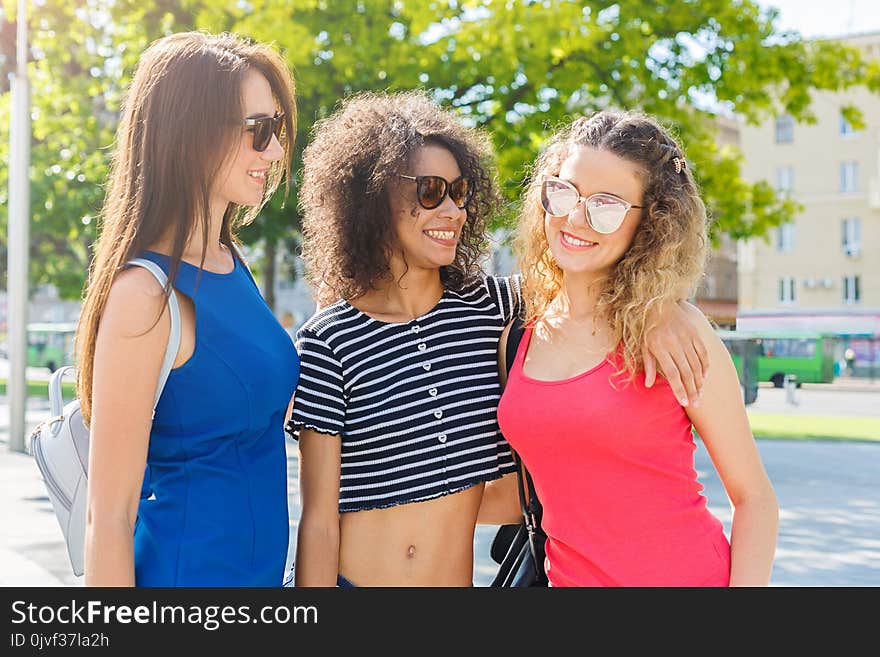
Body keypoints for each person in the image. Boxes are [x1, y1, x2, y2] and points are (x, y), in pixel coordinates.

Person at [287, 91, 711, 587]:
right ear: (373, 198)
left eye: (460, 191)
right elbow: (317, 521)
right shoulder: (328, 339)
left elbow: (597, 281)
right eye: (429, 192)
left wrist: (666, 305)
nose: (452, 210)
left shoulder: (496, 310)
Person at [495, 110, 779, 586]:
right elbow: (535, 487)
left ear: (651, 224)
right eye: (565, 191)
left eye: (606, 205)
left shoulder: (678, 333)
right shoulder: (517, 338)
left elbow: (755, 499)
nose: (576, 218)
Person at [76, 31, 299, 586]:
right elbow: (109, 515)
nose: (273, 151)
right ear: (192, 134)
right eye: (259, 131)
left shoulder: (231, 262)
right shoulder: (144, 294)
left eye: (277, 131)